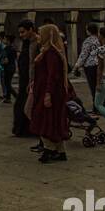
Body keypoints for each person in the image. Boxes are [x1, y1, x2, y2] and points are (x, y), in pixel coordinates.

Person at [27, 23, 71, 161]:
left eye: (41, 33)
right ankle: (59, 149)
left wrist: (48, 93)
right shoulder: (48, 51)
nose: (39, 36)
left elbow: (53, 75)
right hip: (46, 89)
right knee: (52, 119)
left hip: (49, 91)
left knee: (45, 118)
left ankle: (49, 148)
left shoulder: (51, 52)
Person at [12, 21, 37, 136]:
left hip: (30, 79)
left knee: (27, 104)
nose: (21, 35)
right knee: (21, 104)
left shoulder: (36, 43)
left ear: (31, 29)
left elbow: (33, 63)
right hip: (24, 78)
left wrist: (32, 80)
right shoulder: (26, 43)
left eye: (23, 32)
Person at [76, 24, 100, 102]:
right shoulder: (99, 40)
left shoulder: (88, 41)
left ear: (89, 31)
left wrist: (77, 65)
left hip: (90, 65)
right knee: (99, 85)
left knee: (93, 86)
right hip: (100, 64)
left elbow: (84, 54)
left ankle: (96, 105)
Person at [0, 32, 17, 103]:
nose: (3, 40)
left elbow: (6, 61)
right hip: (12, 67)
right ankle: (8, 98)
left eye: (5, 39)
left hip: (7, 68)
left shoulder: (6, 49)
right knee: (8, 82)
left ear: (8, 41)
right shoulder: (13, 48)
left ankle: (16, 96)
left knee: (7, 84)